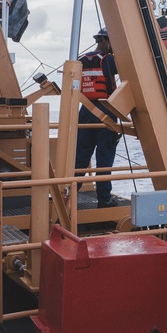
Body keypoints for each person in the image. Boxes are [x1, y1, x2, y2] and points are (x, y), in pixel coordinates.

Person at [74, 29, 120, 208]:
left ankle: (67, 196)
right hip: (105, 109)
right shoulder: (108, 60)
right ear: (108, 41)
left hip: (85, 109)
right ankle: (104, 199)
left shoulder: (81, 59)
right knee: (104, 156)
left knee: (81, 156)